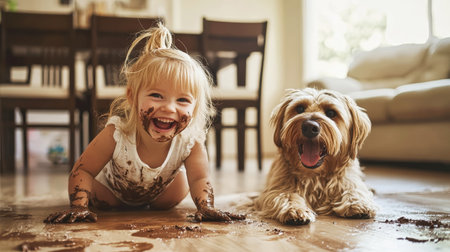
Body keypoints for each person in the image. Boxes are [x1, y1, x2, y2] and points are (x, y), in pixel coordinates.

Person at [45, 23, 245, 223]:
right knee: (100, 194)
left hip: (159, 197)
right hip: (111, 195)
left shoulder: (190, 141)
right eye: (157, 95)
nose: (169, 108)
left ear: (195, 108)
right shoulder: (117, 133)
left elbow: (200, 178)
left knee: (183, 183)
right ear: (132, 97)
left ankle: (151, 203)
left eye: (182, 100)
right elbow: (83, 169)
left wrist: (206, 206)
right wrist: (78, 206)